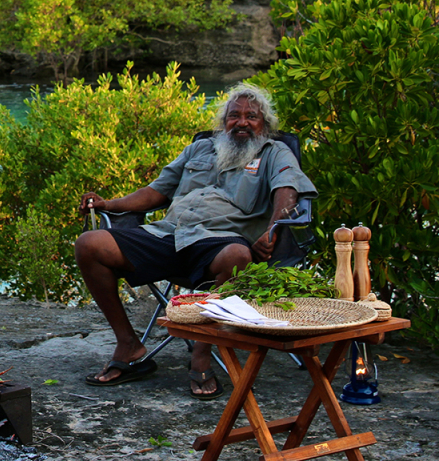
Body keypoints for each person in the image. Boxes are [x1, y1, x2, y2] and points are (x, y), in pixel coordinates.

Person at [74, 83, 316, 399]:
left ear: (264, 125)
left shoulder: (274, 151)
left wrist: (272, 229)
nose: (242, 122)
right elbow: (155, 192)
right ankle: (129, 345)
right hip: (169, 235)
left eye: (251, 116)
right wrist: (108, 204)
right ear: (223, 121)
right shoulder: (199, 149)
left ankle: (202, 353)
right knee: (89, 244)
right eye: (234, 116)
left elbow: (287, 190)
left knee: (236, 257)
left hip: (222, 242)